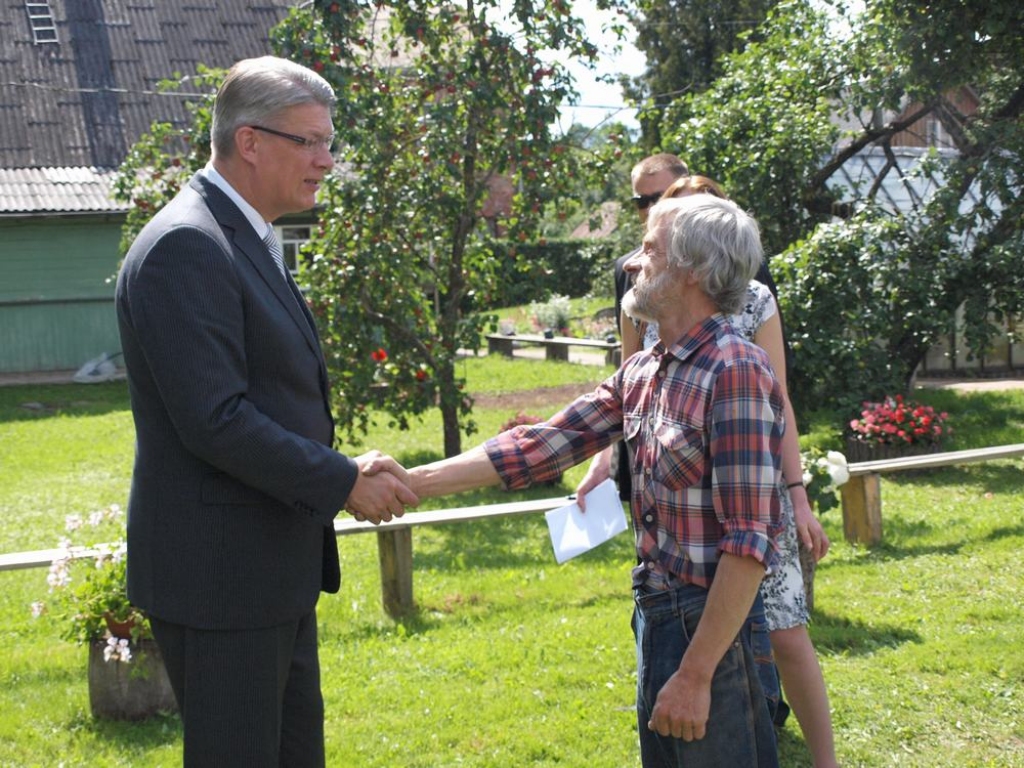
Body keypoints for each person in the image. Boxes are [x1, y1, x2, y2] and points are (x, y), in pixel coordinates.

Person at [396, 195, 784, 767]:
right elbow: (543, 445)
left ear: (695, 272)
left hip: (712, 635)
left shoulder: (736, 371)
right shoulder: (646, 369)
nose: (633, 262)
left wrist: (695, 675)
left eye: (650, 249)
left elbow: (749, 545)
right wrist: (412, 481)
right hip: (656, 616)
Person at [115, 56, 418, 767]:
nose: (327, 161)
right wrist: (341, 481)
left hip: (263, 571)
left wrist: (341, 466)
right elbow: (216, 419)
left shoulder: (243, 231)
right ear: (249, 142)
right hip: (222, 581)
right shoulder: (188, 245)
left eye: (329, 142)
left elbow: (264, 394)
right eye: (309, 142)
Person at [589, 174, 840, 767]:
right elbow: (625, 397)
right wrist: (606, 459)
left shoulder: (739, 341)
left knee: (775, 631)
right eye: (644, 204)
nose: (635, 258)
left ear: (694, 259)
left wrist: (798, 493)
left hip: (744, 490)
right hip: (675, 520)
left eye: (655, 222)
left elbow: (776, 399)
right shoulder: (647, 303)